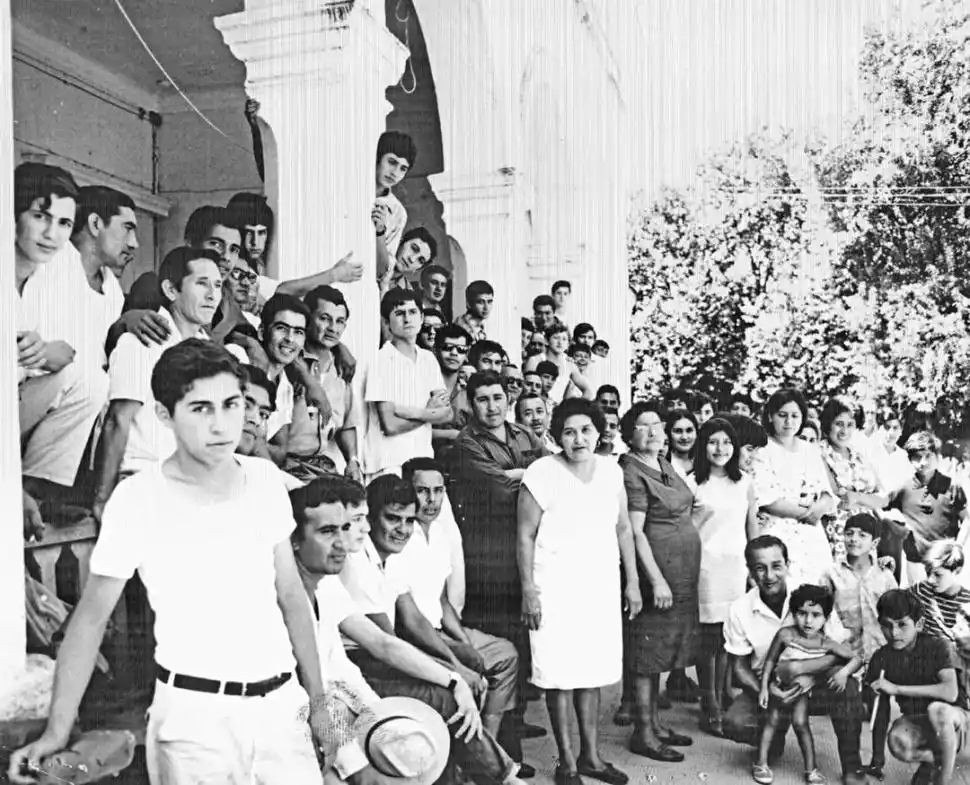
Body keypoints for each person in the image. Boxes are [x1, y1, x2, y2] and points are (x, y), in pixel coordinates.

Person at [9, 340, 330, 785]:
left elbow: (292, 597)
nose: (221, 425)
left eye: (231, 405)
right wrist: (57, 731)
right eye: (200, 409)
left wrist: (321, 704)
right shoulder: (139, 499)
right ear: (164, 415)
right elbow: (88, 621)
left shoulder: (265, 481)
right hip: (194, 720)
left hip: (281, 709)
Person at [288, 476, 508, 785]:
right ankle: (499, 777)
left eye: (347, 526)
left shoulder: (326, 586)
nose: (349, 537)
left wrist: (453, 676)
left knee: (458, 677)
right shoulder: (292, 593)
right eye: (331, 530)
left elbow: (374, 646)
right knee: (439, 701)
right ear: (293, 538)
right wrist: (359, 763)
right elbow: (375, 651)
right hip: (297, 718)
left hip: (343, 690)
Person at [518, 398, 641, 785]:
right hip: (553, 586)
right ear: (557, 436)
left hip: (598, 586)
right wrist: (528, 591)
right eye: (569, 431)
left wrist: (633, 581)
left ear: (599, 432)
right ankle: (567, 763)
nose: (578, 438)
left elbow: (623, 529)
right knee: (559, 675)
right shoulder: (541, 472)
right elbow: (524, 535)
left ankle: (592, 757)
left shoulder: (611, 472)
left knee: (591, 672)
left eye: (586, 429)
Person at [396, 458, 529, 772]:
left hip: (440, 630)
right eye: (422, 491)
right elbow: (409, 618)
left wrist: (460, 635)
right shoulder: (402, 535)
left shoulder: (438, 535)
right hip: (415, 638)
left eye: (438, 491)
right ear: (407, 492)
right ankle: (473, 763)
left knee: (506, 655)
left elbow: (441, 600)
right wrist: (458, 652)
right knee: (473, 664)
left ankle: (486, 753)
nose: (431, 500)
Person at [92, 247, 234, 520]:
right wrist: (102, 499)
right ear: (171, 290)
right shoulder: (141, 341)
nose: (212, 295)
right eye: (202, 283)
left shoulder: (206, 349)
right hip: (144, 479)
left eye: (217, 285)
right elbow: (118, 420)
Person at [450, 372, 549, 744]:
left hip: (525, 546)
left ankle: (518, 718)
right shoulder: (466, 444)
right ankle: (499, 737)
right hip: (488, 553)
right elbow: (499, 486)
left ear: (508, 398)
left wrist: (521, 474)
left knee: (522, 636)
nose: (492, 406)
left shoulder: (524, 434)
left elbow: (550, 473)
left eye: (497, 397)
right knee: (498, 638)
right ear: (471, 404)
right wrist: (528, 474)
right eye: (482, 400)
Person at [723, 536, 868, 785]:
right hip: (771, 686)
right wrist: (767, 692)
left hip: (815, 685)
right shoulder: (740, 609)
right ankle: (775, 738)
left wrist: (807, 672)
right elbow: (738, 666)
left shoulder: (811, 598)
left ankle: (852, 767)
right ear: (750, 572)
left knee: (848, 690)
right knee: (736, 722)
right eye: (760, 567)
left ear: (788, 564)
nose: (769, 575)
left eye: (776, 565)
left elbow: (840, 651)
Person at [15, 163, 109, 498]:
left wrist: (41, 355)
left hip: (14, 409)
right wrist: (29, 357)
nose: (51, 233)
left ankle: (35, 489)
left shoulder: (51, 272)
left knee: (90, 380)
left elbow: (64, 353)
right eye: (40, 216)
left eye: (64, 223)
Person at [615, 401, 699, 762]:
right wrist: (656, 580)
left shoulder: (662, 462)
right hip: (656, 571)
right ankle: (644, 733)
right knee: (646, 653)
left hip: (681, 568)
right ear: (628, 433)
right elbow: (634, 531)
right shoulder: (630, 469)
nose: (653, 432)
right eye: (643, 425)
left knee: (663, 648)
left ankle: (655, 723)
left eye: (657, 425)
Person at [754, 585, 862, 785]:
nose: (808, 621)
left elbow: (856, 658)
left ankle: (811, 770)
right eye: (802, 613)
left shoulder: (826, 643)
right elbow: (770, 661)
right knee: (771, 722)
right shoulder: (786, 635)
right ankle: (761, 764)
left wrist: (844, 673)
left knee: (801, 725)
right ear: (794, 613)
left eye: (816, 615)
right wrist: (763, 688)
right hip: (778, 687)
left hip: (801, 694)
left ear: (826, 617)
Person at [693, 417, 758, 737]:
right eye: (713, 442)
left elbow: (752, 527)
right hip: (705, 570)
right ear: (703, 445)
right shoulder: (693, 482)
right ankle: (710, 706)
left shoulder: (744, 481)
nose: (720, 449)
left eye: (727, 443)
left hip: (736, 570)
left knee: (727, 639)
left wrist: (755, 568)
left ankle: (722, 696)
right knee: (708, 641)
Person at [867, 589, 970, 785]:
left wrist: (897, 689)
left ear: (919, 624)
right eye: (887, 626)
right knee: (898, 739)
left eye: (902, 625)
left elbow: (950, 692)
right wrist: (877, 761)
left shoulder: (938, 646)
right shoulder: (880, 658)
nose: (894, 633)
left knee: (937, 710)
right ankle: (935, 762)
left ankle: (942, 780)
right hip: (923, 723)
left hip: (959, 722)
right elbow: (880, 713)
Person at [361, 289, 450, 481]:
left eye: (412, 312)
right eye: (399, 314)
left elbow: (446, 413)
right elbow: (390, 425)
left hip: (423, 460)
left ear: (422, 317)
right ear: (386, 322)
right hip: (388, 463)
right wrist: (428, 414)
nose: (407, 319)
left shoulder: (428, 359)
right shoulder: (381, 360)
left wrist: (409, 412)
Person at [756, 389, 836, 588]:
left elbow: (826, 493)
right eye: (782, 415)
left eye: (794, 416)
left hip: (812, 532)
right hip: (778, 528)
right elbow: (768, 499)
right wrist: (806, 513)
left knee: (818, 588)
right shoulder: (762, 449)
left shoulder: (810, 449)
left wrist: (819, 509)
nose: (788, 422)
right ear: (770, 416)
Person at [286, 286, 362, 482]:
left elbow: (346, 426)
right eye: (325, 318)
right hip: (286, 466)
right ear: (308, 318)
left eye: (340, 322)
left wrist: (352, 461)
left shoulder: (343, 368)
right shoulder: (289, 357)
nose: (333, 328)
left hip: (319, 467)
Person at [260, 293, 333, 470]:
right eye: (281, 328)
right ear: (262, 332)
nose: (290, 339)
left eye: (298, 332)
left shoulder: (286, 386)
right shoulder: (241, 361)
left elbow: (280, 452)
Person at [889, 431, 969, 584]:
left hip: (943, 563)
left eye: (928, 456)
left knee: (944, 604)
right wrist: (893, 525)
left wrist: (957, 548)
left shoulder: (952, 487)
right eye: (917, 457)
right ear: (910, 459)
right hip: (915, 562)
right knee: (919, 603)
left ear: (937, 457)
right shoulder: (903, 488)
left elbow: (966, 520)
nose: (923, 462)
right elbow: (880, 505)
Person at [819, 397, 889, 565]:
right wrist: (867, 499)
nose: (844, 430)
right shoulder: (820, 453)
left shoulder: (858, 455)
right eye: (839, 423)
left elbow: (884, 498)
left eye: (850, 424)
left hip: (867, 531)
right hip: (838, 531)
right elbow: (839, 497)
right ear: (828, 423)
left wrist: (857, 498)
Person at [822, 513, 897, 667]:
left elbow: (898, 612)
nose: (854, 539)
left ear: (874, 543)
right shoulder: (831, 574)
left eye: (862, 535)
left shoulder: (884, 574)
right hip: (846, 653)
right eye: (849, 533)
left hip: (882, 651)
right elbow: (822, 612)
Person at [909, 540, 970, 644]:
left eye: (938, 575)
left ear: (957, 571)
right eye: (928, 572)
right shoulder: (922, 589)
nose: (930, 580)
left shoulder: (966, 602)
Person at [373, 131, 415, 260]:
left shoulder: (398, 213)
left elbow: (382, 271)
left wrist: (380, 232)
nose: (395, 173)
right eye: (392, 162)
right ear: (378, 158)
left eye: (403, 169)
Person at [525, 325, 592, 404]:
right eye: (556, 338)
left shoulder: (570, 364)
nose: (560, 342)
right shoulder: (534, 361)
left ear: (568, 344)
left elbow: (588, 391)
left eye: (564, 339)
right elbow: (527, 389)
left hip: (561, 410)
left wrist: (574, 407)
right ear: (546, 340)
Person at [666, 408, 699, 483]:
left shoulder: (706, 462)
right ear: (668, 434)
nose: (684, 437)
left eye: (689, 430)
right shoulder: (661, 464)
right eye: (678, 431)